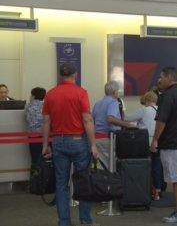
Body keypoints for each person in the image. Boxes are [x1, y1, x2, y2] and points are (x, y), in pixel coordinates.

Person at [41, 63, 100, 226]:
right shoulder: (81, 93)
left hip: (58, 141)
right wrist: (93, 145)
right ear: (76, 76)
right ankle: (86, 220)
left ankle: (64, 222)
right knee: (83, 180)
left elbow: (46, 121)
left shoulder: (50, 94)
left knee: (61, 183)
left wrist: (45, 144)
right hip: (78, 141)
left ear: (60, 76)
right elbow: (87, 119)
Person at [149, 66, 177, 223]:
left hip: (172, 143)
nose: (159, 80)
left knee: (176, 178)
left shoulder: (167, 96)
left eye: (161, 77)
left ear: (168, 78)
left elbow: (162, 120)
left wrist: (155, 140)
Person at [124, 91, 161, 200]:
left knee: (146, 167)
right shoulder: (160, 110)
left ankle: (147, 189)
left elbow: (127, 118)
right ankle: (158, 190)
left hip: (146, 143)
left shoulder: (144, 110)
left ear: (146, 100)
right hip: (158, 142)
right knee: (157, 167)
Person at [92, 81, 134, 169]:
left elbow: (92, 121)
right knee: (112, 166)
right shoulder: (113, 102)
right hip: (109, 139)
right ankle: (111, 182)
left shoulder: (97, 103)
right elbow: (110, 118)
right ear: (115, 91)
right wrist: (128, 125)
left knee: (101, 166)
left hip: (97, 139)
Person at [24, 87, 47, 165]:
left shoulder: (27, 106)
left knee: (35, 158)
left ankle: (35, 175)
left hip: (33, 136)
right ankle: (46, 176)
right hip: (46, 136)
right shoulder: (46, 105)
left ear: (33, 96)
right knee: (46, 158)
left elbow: (26, 119)